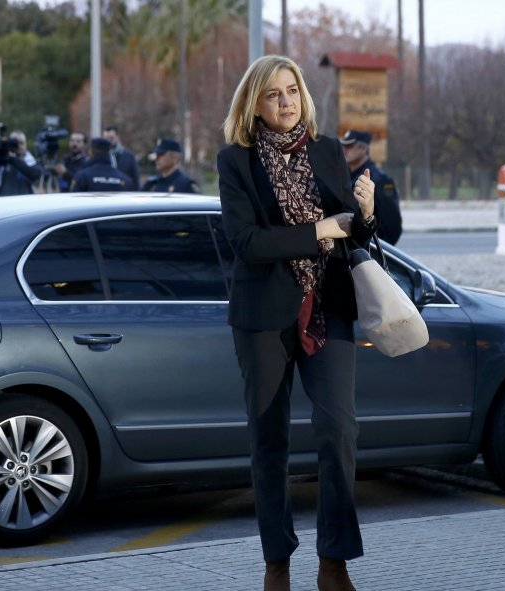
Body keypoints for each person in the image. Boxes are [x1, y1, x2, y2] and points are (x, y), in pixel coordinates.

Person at [218, 55, 377, 591]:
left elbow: (353, 236)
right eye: (272, 94)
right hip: (263, 316)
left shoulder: (328, 151)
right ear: (254, 103)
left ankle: (334, 563)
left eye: (291, 91)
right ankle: (277, 563)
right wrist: (319, 230)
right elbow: (246, 242)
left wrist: (367, 215)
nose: (285, 102)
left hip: (329, 306)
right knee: (269, 441)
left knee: (339, 431)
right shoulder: (235, 161)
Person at [339, 129, 402, 245]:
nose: (345, 150)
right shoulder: (345, 175)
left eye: (349, 146)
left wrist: (376, 252)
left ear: (363, 149)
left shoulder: (380, 179)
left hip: (369, 250)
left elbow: (392, 227)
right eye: (343, 146)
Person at [0, 130, 43, 196]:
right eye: (14, 142)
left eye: (21, 143)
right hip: (4, 203)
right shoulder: (0, 161)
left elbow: (35, 175)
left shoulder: (31, 160)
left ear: (26, 145)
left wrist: (11, 159)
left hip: (26, 203)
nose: (18, 146)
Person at [102, 125, 140, 190]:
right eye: (106, 139)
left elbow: (135, 179)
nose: (108, 141)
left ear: (118, 137)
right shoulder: (100, 157)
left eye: (111, 138)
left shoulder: (129, 156)